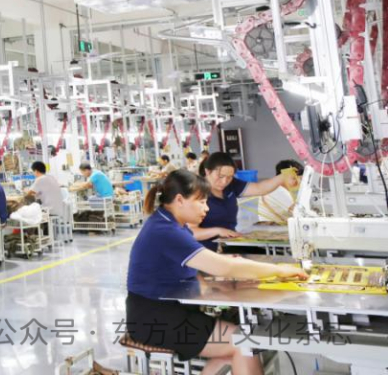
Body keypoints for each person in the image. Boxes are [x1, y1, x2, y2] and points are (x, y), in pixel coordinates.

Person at [127, 170, 306, 374]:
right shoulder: (166, 230)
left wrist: (228, 271)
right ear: (180, 200)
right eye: (201, 202)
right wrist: (279, 270)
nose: (206, 208)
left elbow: (207, 265)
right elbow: (224, 268)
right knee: (243, 342)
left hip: (169, 311)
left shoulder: (170, 223)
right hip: (155, 319)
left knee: (233, 348)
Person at [191, 152, 300, 251]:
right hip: (203, 251)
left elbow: (259, 188)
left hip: (228, 244)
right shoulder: (196, 193)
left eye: (229, 177)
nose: (224, 181)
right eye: (220, 176)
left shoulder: (231, 185)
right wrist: (218, 231)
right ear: (207, 171)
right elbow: (191, 233)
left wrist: (282, 177)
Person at [257, 159, 303, 223]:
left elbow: (289, 212)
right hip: (273, 227)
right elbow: (298, 212)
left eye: (300, 178)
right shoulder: (278, 190)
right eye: (294, 178)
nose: (298, 181)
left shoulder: (274, 186)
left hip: (271, 224)